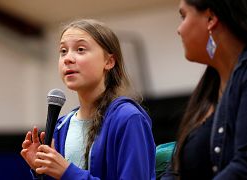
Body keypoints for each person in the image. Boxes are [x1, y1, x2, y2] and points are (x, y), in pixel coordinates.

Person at [162, 0, 247, 179]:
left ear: (211, 18)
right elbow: (175, 170)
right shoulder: (210, 82)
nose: (179, 29)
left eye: (184, 16)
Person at [20, 19, 156, 180]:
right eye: (63, 51)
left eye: (80, 49)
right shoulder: (62, 125)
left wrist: (67, 172)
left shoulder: (128, 118)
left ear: (109, 61)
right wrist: (41, 169)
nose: (68, 58)